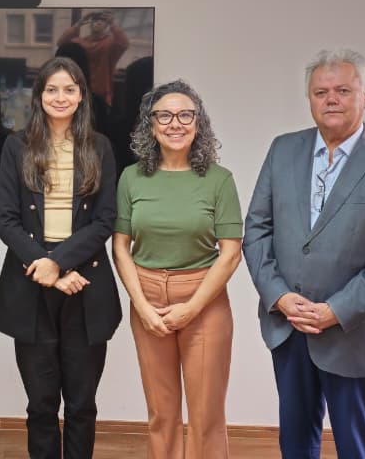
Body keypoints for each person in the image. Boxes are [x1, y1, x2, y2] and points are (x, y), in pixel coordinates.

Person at [243, 48, 365, 459]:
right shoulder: (282, 150)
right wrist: (278, 296)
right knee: (295, 442)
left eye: (343, 90)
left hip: (354, 332)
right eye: (320, 91)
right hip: (288, 326)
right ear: (309, 98)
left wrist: (337, 309)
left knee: (356, 447)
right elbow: (257, 229)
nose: (331, 99)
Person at [0, 56, 122, 459]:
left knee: (82, 405)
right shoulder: (17, 146)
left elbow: (104, 221)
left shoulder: (99, 146)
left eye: (69, 89)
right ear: (39, 95)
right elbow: (8, 220)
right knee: (41, 405)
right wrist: (47, 268)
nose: (60, 97)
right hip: (31, 287)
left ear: (82, 95)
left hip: (86, 284)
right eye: (52, 89)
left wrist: (59, 264)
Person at [112, 80, 242, 459]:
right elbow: (120, 246)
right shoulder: (131, 178)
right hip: (147, 299)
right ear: (149, 125)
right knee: (161, 412)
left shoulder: (219, 180)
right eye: (164, 115)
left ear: (198, 124)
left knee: (205, 415)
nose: (175, 123)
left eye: (186, 115)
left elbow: (230, 253)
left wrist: (192, 307)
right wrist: (142, 306)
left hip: (204, 301)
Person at [56, 11, 129, 105]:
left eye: (102, 21)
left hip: (102, 94)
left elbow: (124, 43)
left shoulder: (109, 44)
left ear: (106, 25)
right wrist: (79, 24)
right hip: (80, 91)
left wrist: (112, 25)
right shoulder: (80, 43)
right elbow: (61, 44)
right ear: (90, 24)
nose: (98, 22)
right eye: (95, 20)